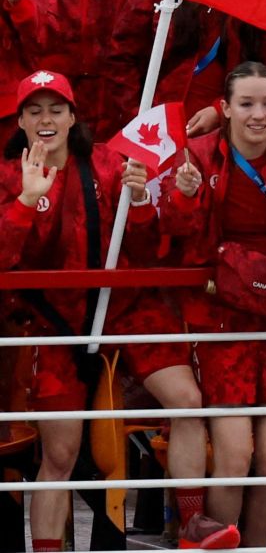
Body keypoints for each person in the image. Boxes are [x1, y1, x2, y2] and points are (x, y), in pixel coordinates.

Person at [0, 70, 236, 550]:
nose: (46, 119)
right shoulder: (4, 176)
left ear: (73, 116)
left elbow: (151, 247)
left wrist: (144, 199)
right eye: (35, 110)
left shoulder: (111, 164)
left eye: (56, 109)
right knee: (60, 454)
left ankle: (191, 524)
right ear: (20, 120)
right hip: (54, 325)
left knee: (188, 402)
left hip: (126, 310)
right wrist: (25, 201)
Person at [161, 62, 266, 547]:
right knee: (234, 457)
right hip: (222, 318)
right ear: (225, 108)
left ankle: (256, 546)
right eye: (247, 104)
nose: (259, 115)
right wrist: (184, 198)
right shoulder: (196, 157)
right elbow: (174, 238)